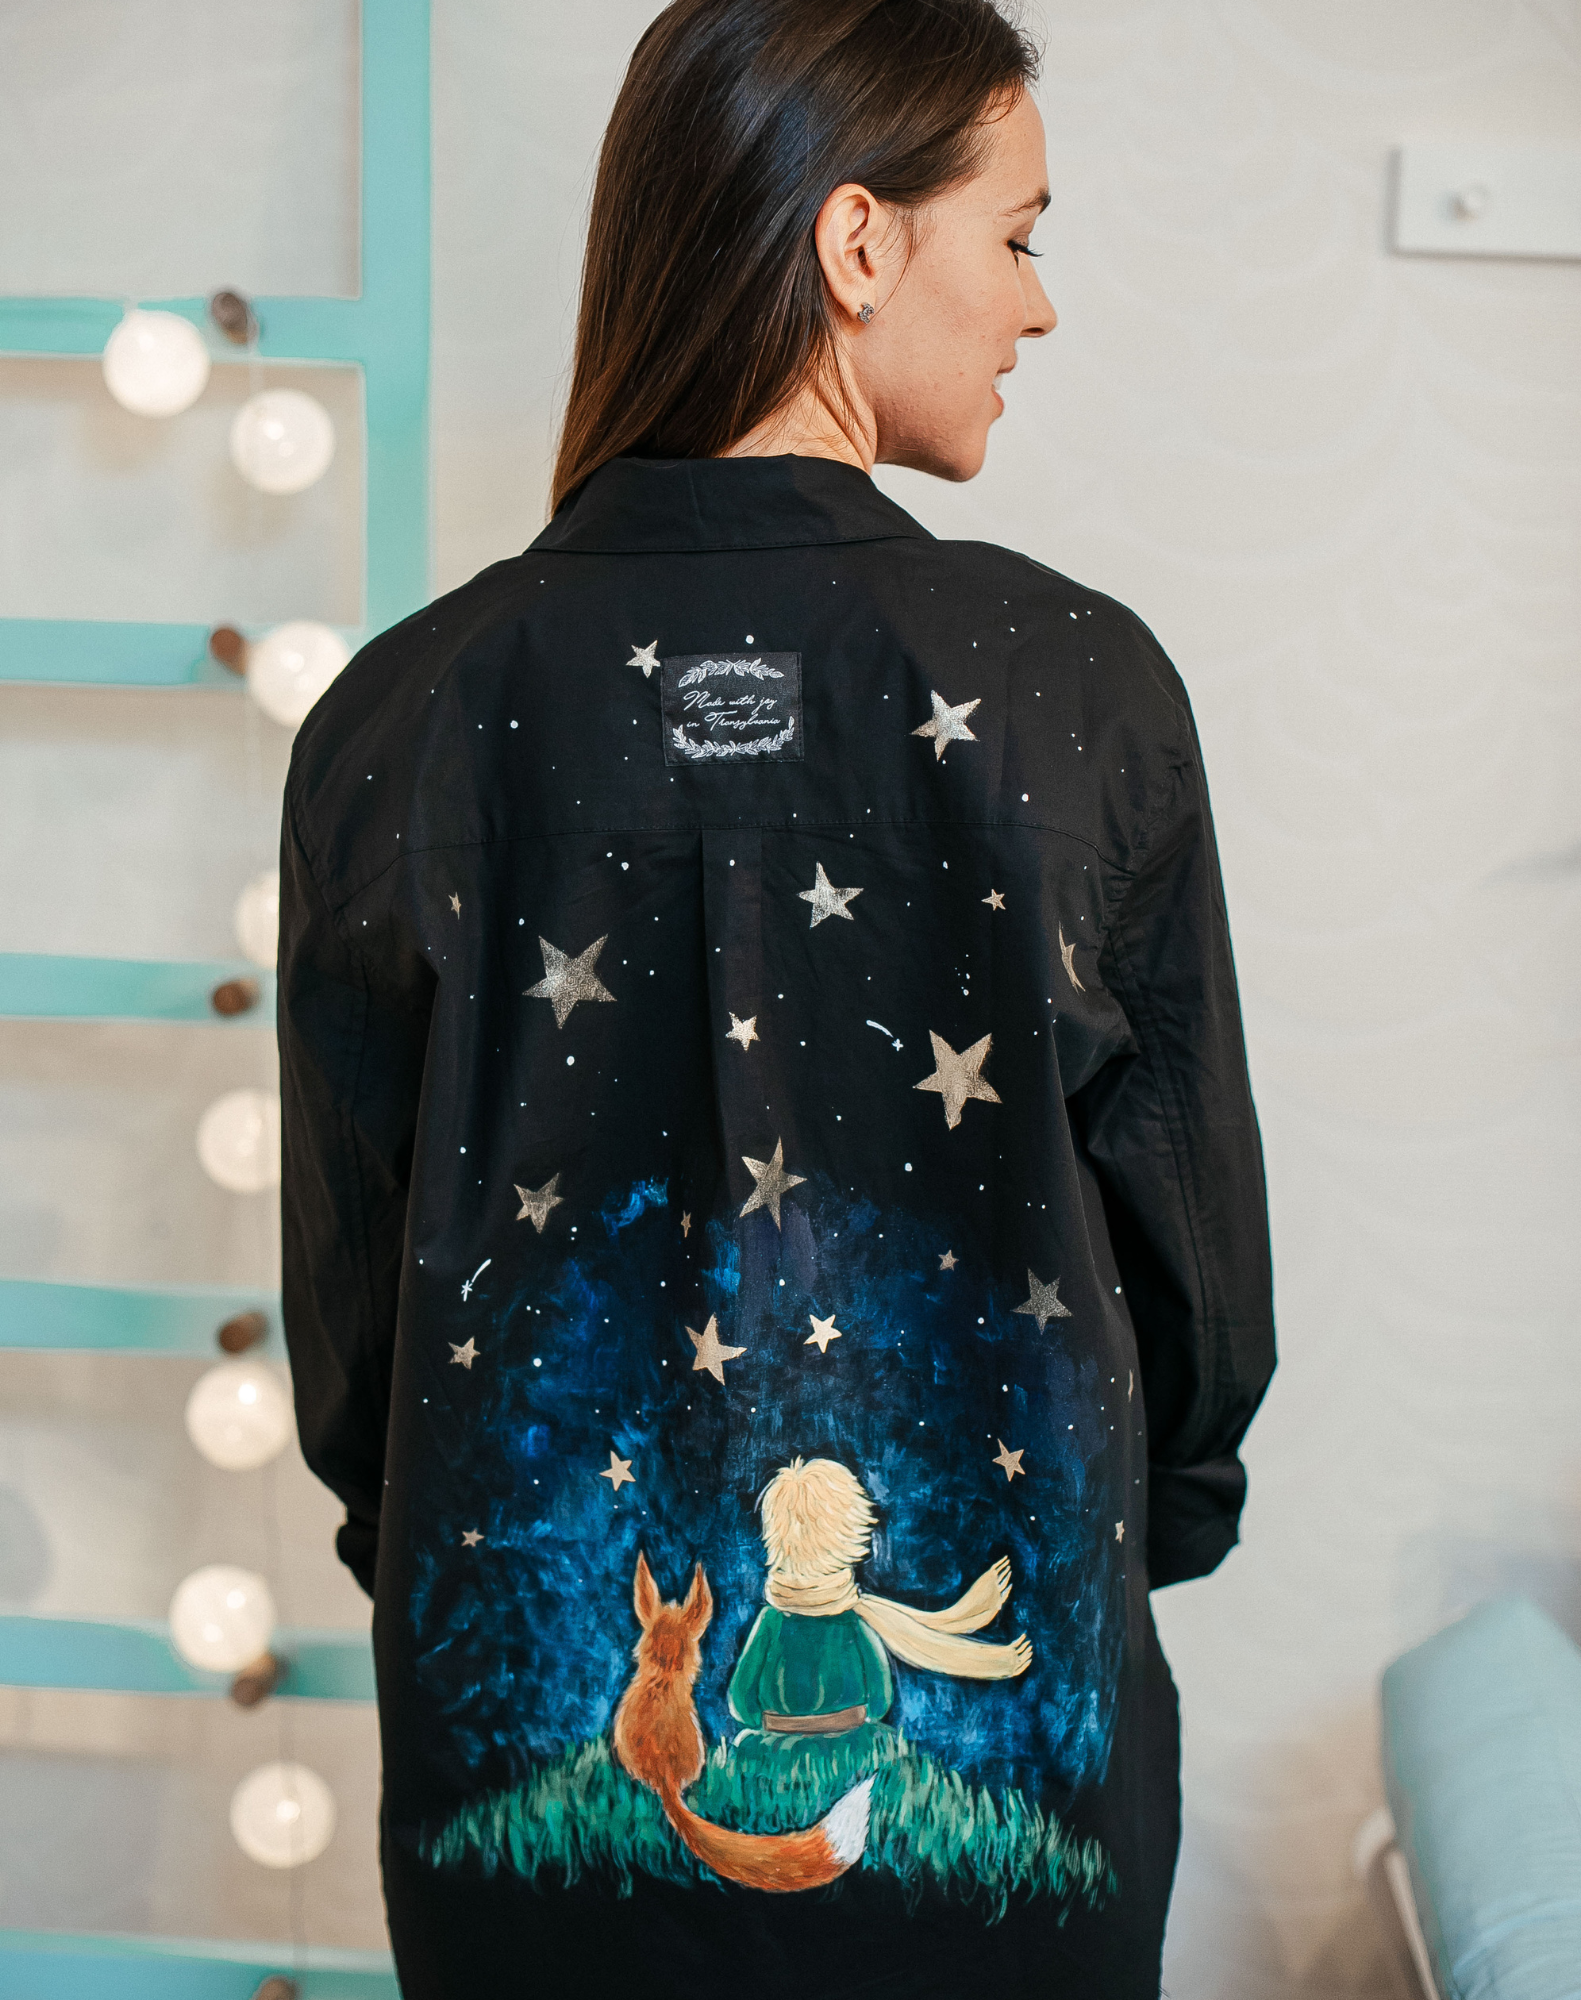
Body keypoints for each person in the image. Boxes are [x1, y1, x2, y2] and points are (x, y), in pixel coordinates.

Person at [276, 1, 1276, 1994]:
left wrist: (416, 1539)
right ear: (856, 243)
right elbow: (1190, 1251)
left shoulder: (397, 711)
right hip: (1028, 1809)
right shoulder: (1079, 686)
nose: (1038, 304)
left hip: (508, 1804)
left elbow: (354, 1302)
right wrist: (1153, 1514)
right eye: (1017, 235)